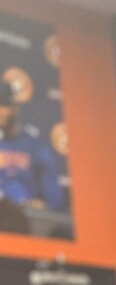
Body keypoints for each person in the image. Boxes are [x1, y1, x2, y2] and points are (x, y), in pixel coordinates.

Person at [0, 77, 67, 232]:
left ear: (15, 108)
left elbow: (55, 199)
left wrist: (43, 206)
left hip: (26, 224)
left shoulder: (35, 146)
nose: (1, 111)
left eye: (4, 105)